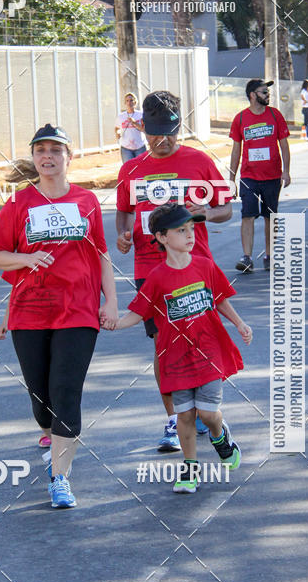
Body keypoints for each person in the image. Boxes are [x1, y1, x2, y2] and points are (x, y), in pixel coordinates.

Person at [0, 123, 119, 508]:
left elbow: (101, 254)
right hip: (30, 311)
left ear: (68, 157)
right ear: (34, 157)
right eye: (41, 150)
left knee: (65, 391)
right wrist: (26, 257)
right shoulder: (18, 203)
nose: (48, 156)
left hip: (78, 309)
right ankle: (49, 431)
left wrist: (110, 300)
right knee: (40, 396)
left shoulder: (87, 202)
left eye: (55, 150)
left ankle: (59, 477)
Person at [115, 90, 234, 452]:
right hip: (150, 270)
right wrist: (122, 233)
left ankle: (203, 412)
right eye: (154, 133)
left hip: (195, 268)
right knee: (164, 345)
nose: (162, 141)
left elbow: (225, 209)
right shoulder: (130, 169)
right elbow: (124, 211)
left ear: (179, 127)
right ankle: (175, 418)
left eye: (169, 132)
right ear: (142, 129)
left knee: (199, 339)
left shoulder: (199, 161)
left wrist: (201, 214)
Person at [105, 204, 252, 493]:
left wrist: (239, 323)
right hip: (176, 357)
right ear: (161, 237)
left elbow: (220, 297)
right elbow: (139, 312)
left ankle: (220, 436)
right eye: (181, 230)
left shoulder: (205, 266)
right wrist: (115, 323)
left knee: (208, 415)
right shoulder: (156, 278)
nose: (190, 235)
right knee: (184, 415)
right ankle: (190, 469)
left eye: (192, 229)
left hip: (208, 351)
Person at [229, 79, 291, 273]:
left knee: (270, 217)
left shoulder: (275, 115)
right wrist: (231, 179)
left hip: (272, 177)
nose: (267, 94)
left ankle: (269, 255)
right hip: (249, 177)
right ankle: (246, 257)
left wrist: (286, 171)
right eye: (263, 92)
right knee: (247, 215)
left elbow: (284, 145)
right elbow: (236, 150)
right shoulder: (240, 119)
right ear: (252, 95)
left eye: (267, 92)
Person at [0, 297, 50, 448]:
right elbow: (18, 285)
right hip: (28, 323)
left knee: (60, 384)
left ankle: (62, 436)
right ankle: (50, 431)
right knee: (38, 388)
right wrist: (7, 318)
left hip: (66, 322)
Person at [115, 92, 147, 164]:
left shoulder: (141, 115)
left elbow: (145, 130)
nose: (129, 102)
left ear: (135, 102)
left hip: (140, 146)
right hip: (126, 148)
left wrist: (135, 123)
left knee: (142, 168)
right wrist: (117, 133)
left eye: (131, 100)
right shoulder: (121, 116)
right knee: (129, 169)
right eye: (127, 101)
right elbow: (117, 128)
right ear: (125, 103)